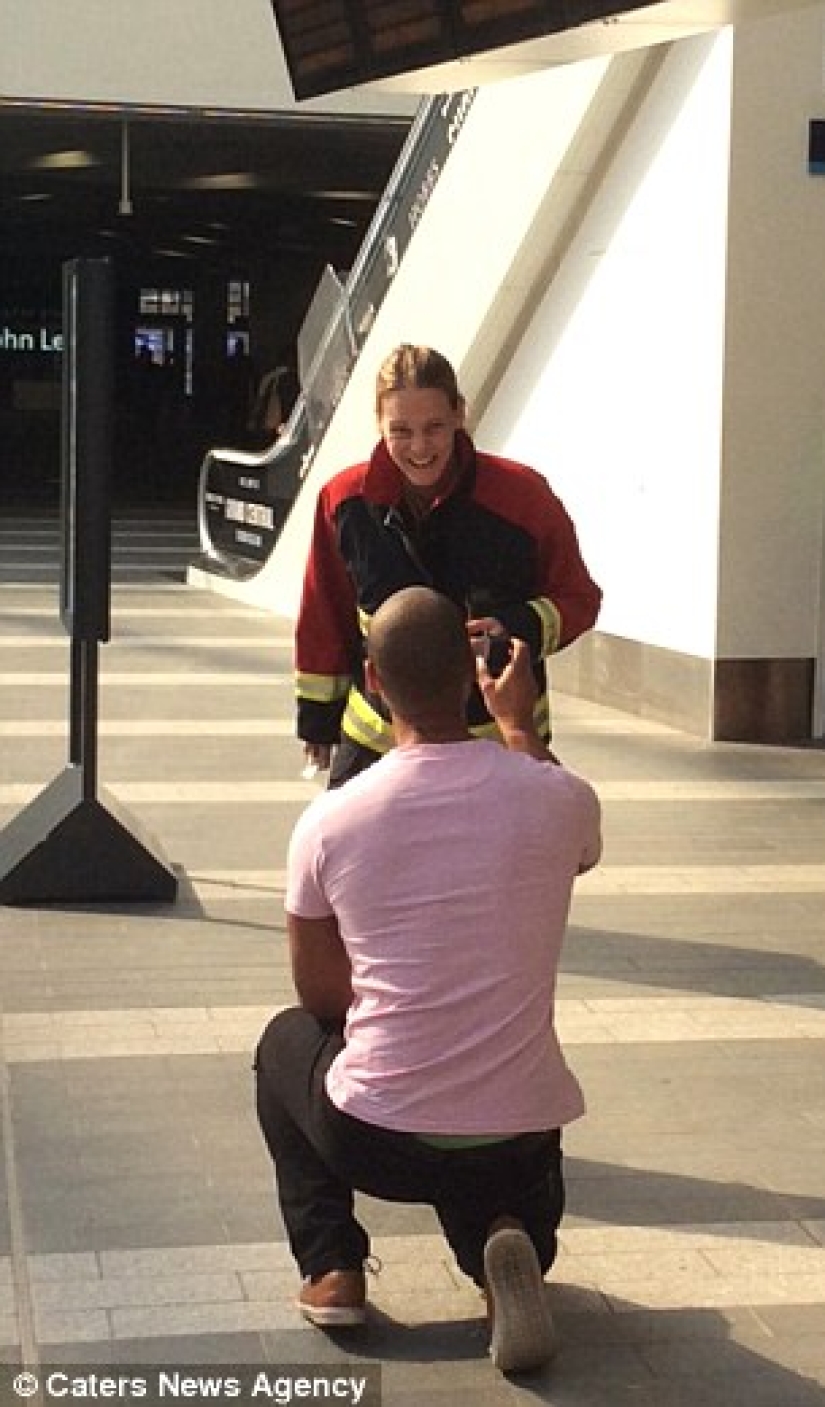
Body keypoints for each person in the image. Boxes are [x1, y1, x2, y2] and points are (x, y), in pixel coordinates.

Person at [255, 585, 601, 1373]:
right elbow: (580, 847)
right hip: (523, 1136)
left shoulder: (331, 820)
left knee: (285, 1042)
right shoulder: (559, 799)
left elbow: (320, 996)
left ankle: (332, 1268)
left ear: (373, 681)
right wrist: (518, 725)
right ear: (473, 675)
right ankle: (502, 1244)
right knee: (481, 1107)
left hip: (377, 1142)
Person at [295, 343, 602, 788]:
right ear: (379, 423)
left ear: (460, 413)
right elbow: (323, 613)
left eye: (434, 427)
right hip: (377, 745)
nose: (420, 447)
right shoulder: (342, 500)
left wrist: (517, 627)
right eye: (401, 430)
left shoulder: (524, 497)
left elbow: (578, 598)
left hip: (498, 743)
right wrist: (318, 719)